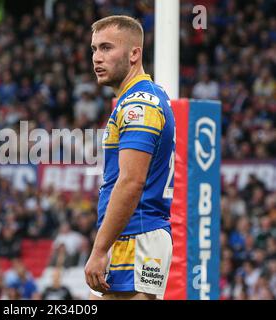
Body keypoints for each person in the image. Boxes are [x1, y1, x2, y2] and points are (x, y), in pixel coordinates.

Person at [85, 15, 175, 300]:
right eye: (94, 49)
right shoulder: (144, 97)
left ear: (135, 53)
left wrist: (99, 250)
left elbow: (131, 182)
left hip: (138, 235)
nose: (97, 58)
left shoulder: (138, 104)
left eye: (107, 48)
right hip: (131, 235)